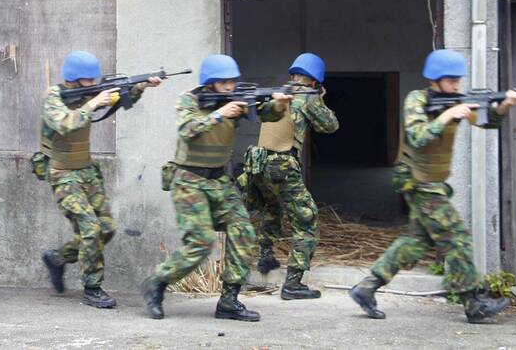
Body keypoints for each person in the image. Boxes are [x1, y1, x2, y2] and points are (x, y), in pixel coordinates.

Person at [349, 49, 516, 324]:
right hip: (418, 181)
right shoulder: (417, 100)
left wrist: (505, 105)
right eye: (451, 80)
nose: (457, 85)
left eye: (458, 80)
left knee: (415, 243)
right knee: (457, 238)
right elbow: (417, 136)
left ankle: (366, 288)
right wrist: (447, 116)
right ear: (435, 79)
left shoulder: (457, 100)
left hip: (433, 183)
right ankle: (473, 303)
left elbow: (488, 122)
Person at [142, 54, 292, 321]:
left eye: (232, 81)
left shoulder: (236, 98)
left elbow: (266, 113)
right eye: (223, 82)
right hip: (189, 180)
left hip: (219, 180)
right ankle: (157, 282)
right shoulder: (188, 100)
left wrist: (279, 105)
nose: (229, 87)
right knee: (200, 243)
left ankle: (229, 301)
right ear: (209, 83)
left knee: (243, 231)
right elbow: (188, 130)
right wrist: (220, 114)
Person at [38, 51, 161, 309]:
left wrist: (141, 86)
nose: (94, 84)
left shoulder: (89, 93)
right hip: (63, 174)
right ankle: (92, 288)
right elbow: (64, 123)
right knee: (91, 228)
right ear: (74, 79)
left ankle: (58, 258)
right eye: (89, 80)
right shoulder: (54, 97)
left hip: (87, 172)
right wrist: (93, 104)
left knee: (106, 228)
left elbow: (120, 96)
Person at [241, 53, 338, 300]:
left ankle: (265, 258)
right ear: (315, 80)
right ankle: (293, 284)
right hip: (282, 164)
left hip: (258, 164)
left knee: (271, 209)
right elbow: (330, 126)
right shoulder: (307, 97)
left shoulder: (279, 92)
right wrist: (320, 99)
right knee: (306, 218)